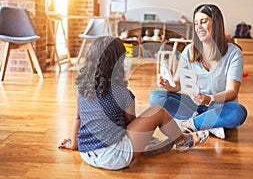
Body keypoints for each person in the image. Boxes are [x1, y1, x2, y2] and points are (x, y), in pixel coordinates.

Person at [58, 36, 209, 170]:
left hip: (87, 152)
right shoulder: (122, 93)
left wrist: (73, 145)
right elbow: (130, 125)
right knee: (158, 111)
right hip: (114, 157)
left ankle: (153, 145)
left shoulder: (82, 88)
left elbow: (78, 118)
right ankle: (183, 141)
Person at [149, 4, 248, 139]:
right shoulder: (189, 50)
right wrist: (169, 86)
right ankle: (208, 125)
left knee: (238, 112)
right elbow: (178, 83)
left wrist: (209, 99)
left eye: (204, 22)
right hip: (194, 105)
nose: (199, 27)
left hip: (219, 107)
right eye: (196, 23)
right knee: (156, 97)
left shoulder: (234, 53)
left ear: (216, 24)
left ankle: (190, 124)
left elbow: (232, 92)